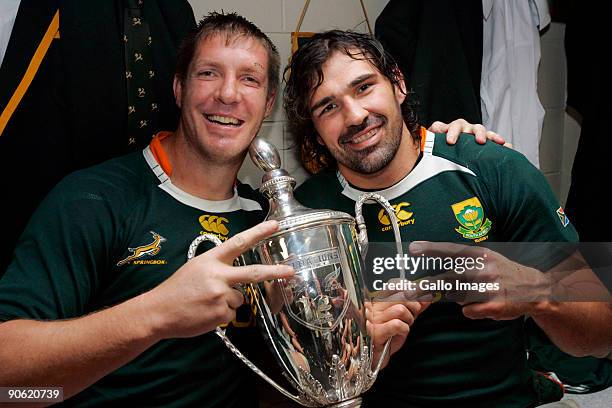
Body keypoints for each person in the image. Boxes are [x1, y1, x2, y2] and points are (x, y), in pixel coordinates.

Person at [0, 12, 492, 406]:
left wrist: (359, 345)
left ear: (270, 101)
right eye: (209, 73)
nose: (229, 94)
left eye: (250, 79)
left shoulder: (277, 221)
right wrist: (155, 314)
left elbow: (565, 283)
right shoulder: (94, 199)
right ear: (177, 88)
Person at [286, 30, 612, 407]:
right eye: (328, 107)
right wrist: (360, 351)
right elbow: (301, 371)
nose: (355, 116)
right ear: (314, 130)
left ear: (398, 84)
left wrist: (537, 292)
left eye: (364, 88)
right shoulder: (308, 215)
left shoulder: (493, 169)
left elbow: (603, 331)